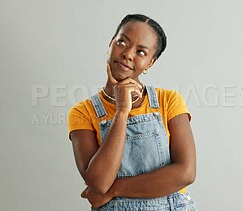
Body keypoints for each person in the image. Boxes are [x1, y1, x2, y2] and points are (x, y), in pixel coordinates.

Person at [68, 14, 197, 210]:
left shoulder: (168, 101)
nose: (128, 54)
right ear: (111, 43)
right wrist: (121, 113)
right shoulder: (83, 112)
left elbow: (186, 173)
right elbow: (99, 182)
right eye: (122, 42)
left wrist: (113, 191)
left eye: (141, 52)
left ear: (150, 63)